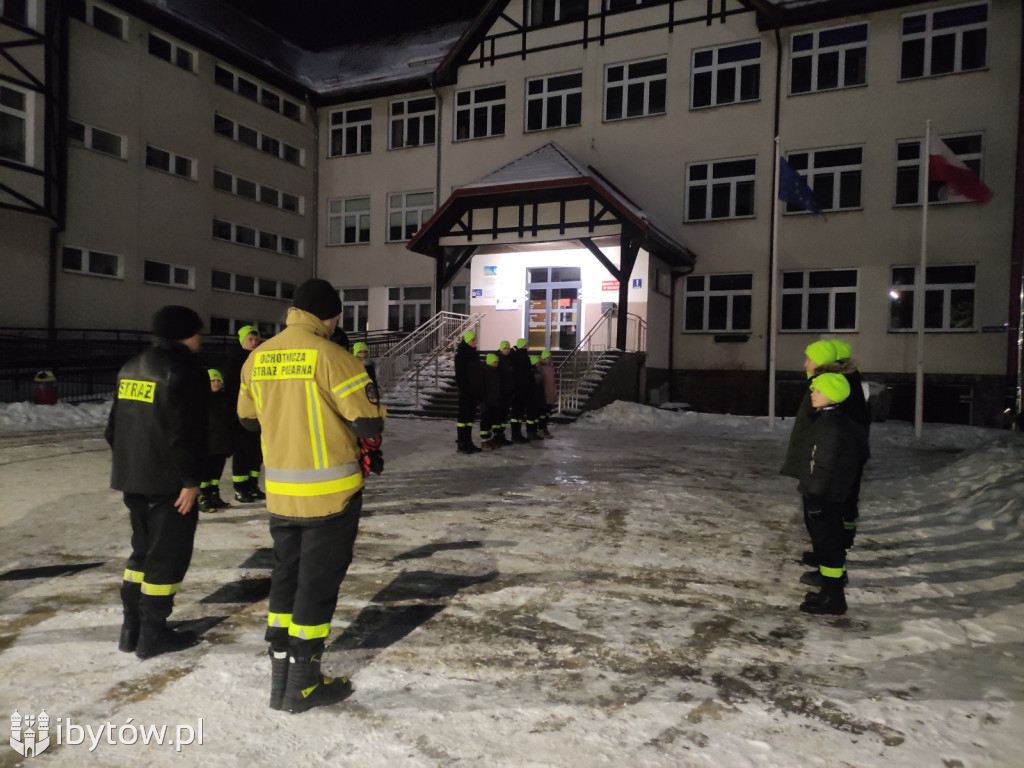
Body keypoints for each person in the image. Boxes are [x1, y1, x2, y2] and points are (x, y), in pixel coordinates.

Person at [238, 278, 386, 714]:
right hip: (330, 496)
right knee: (317, 587)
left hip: (281, 494)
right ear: (329, 315)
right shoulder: (333, 358)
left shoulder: (257, 358)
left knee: (286, 579)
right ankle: (304, 685)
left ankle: (280, 677)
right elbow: (368, 424)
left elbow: (247, 421)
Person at [105, 305, 208, 659]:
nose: (201, 339)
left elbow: (113, 427)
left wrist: (131, 464)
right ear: (184, 334)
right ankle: (153, 635)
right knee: (167, 560)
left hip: (133, 478)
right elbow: (186, 433)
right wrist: (192, 480)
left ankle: (130, 628)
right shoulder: (184, 370)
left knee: (141, 554)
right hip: (170, 485)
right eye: (198, 333)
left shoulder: (130, 367)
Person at [796, 373, 868, 616]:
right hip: (830, 495)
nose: (812, 394)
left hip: (825, 497)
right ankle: (829, 591)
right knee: (827, 546)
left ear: (830, 395)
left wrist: (815, 498)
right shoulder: (831, 420)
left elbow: (823, 465)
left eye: (817, 390)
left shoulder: (830, 427)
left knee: (828, 547)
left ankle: (833, 598)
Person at [779, 339, 838, 568]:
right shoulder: (818, 385)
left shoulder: (826, 389)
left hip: (818, 465)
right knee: (814, 517)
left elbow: (824, 434)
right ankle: (822, 557)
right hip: (813, 462)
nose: (805, 364)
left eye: (809, 358)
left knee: (820, 518)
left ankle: (828, 568)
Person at [829, 339, 871, 549]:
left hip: (847, 451)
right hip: (854, 448)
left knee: (842, 498)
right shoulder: (856, 378)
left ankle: (841, 542)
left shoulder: (843, 381)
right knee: (848, 497)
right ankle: (843, 538)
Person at [222, 325, 265, 504]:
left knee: (257, 452)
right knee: (243, 452)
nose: (254, 343)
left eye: (256, 339)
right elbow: (233, 391)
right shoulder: (235, 361)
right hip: (241, 415)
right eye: (250, 339)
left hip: (259, 413)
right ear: (242, 341)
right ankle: (240, 488)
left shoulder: (260, 358)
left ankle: (253, 485)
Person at [199, 369, 233, 513]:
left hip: (221, 444)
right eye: (213, 380)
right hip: (206, 445)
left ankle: (213, 495)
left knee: (215, 474)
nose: (216, 383)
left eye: (218, 380)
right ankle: (202, 499)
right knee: (204, 475)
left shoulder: (224, 399)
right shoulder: (201, 400)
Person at [454, 330, 483, 454]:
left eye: (475, 339)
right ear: (467, 340)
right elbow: (460, 375)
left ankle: (468, 441)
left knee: (470, 417)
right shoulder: (461, 355)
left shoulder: (474, 355)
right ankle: (462, 442)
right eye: (473, 340)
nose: (475, 342)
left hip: (474, 390)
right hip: (466, 391)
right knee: (463, 418)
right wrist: (464, 390)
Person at [508, 338, 533, 443]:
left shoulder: (522, 356)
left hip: (522, 389)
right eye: (525, 345)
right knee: (516, 413)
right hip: (519, 389)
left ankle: (517, 434)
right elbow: (521, 374)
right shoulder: (519, 357)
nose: (527, 346)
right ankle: (515, 435)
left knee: (519, 413)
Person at [492, 340, 515, 446]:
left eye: (508, 348)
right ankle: (497, 435)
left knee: (503, 415)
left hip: (506, 391)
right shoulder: (498, 359)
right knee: (499, 415)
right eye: (505, 348)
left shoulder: (507, 359)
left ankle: (501, 434)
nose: (507, 350)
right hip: (500, 392)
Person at [479, 353, 503, 451]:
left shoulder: (494, 372)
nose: (496, 364)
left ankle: (488, 439)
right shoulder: (486, 373)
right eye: (494, 362)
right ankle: (484, 440)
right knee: (486, 421)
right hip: (487, 401)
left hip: (493, 401)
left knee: (490, 421)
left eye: (497, 362)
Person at [537, 349, 557, 439]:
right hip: (543, 394)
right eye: (547, 358)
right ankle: (541, 429)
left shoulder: (551, 369)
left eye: (549, 358)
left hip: (549, 393)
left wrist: (555, 393)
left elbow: (552, 383)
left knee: (547, 413)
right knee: (542, 413)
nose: (549, 359)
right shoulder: (541, 369)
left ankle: (544, 428)